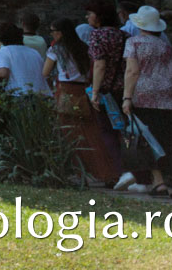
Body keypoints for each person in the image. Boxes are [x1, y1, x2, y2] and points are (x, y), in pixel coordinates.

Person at [123, 6, 172, 198]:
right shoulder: (167, 47)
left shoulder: (133, 43)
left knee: (151, 141)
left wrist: (127, 97)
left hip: (145, 98)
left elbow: (132, 71)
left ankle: (159, 182)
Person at [44, 18, 122, 185]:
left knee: (70, 133)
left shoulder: (56, 50)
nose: (51, 34)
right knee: (92, 132)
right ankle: (107, 172)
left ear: (60, 32)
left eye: (53, 30)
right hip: (83, 91)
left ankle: (81, 173)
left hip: (65, 91)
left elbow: (45, 71)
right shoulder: (83, 48)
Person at [84, 0, 139, 192]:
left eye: (90, 14)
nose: (87, 17)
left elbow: (99, 64)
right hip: (123, 89)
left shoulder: (97, 36)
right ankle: (136, 169)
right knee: (126, 131)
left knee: (107, 131)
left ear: (99, 17)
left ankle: (119, 170)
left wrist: (95, 92)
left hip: (106, 90)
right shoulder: (124, 35)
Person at [0, 22, 50, 96]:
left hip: (20, 95)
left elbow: (2, 74)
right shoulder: (34, 52)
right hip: (42, 94)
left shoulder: (5, 50)